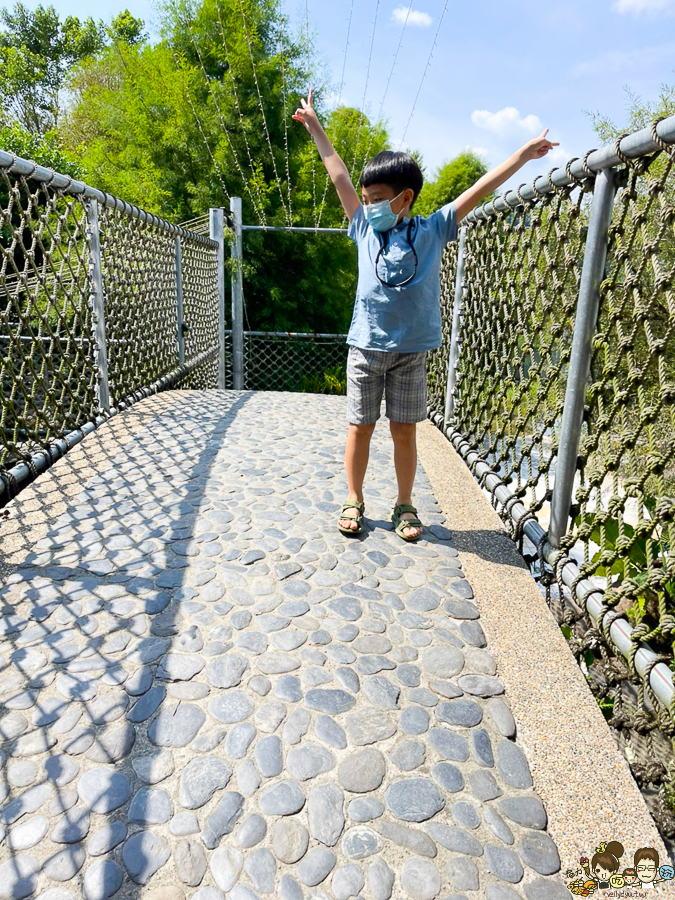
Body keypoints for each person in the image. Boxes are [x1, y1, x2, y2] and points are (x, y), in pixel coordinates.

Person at [293, 89, 558, 540]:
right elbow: (335, 171)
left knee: (403, 431)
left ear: (405, 198)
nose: (368, 203)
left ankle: (404, 504)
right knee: (360, 427)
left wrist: (522, 155)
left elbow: (480, 190)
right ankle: (354, 498)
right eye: (365, 195)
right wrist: (316, 126)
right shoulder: (362, 226)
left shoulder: (434, 228)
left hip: (411, 352)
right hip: (366, 348)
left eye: (377, 197)